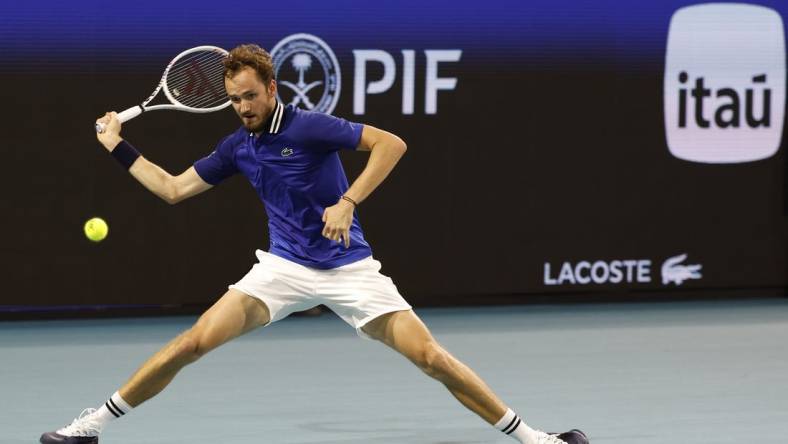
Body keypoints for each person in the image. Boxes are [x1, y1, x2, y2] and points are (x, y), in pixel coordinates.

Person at [40, 44, 587, 444]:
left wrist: (347, 201)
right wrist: (117, 145)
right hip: (282, 269)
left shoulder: (309, 126)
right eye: (233, 99)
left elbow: (390, 144)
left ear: (272, 88)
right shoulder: (237, 146)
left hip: (350, 269)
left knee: (431, 357)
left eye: (250, 96)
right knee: (192, 343)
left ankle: (536, 439)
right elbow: (174, 189)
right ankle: (93, 426)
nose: (243, 106)